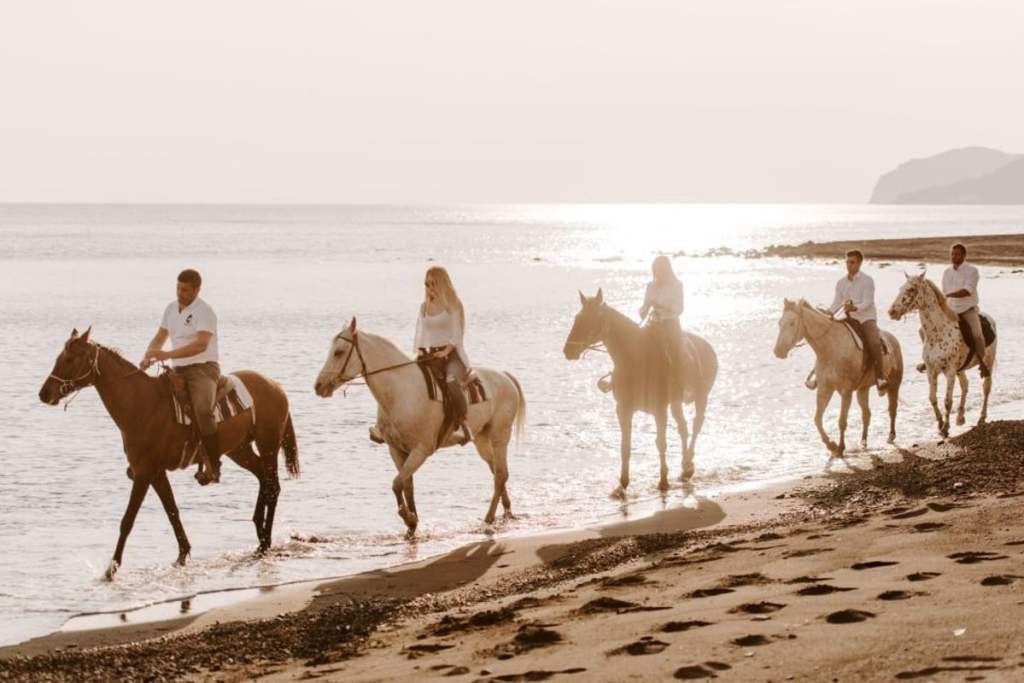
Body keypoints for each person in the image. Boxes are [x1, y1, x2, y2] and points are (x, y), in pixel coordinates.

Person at [140, 269, 222, 483]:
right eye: (177, 288)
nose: (180, 293)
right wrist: (148, 357)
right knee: (152, 404)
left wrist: (166, 355)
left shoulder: (205, 312)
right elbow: (160, 337)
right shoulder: (170, 309)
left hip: (202, 369)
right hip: (178, 369)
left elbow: (200, 345)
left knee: (203, 411)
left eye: (185, 290)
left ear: (196, 289)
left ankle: (215, 465)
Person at [414, 266, 473, 445]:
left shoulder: (453, 304)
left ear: (442, 283)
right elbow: (421, 334)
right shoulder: (424, 307)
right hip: (430, 355)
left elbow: (457, 333)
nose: (429, 286)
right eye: (426, 283)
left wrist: (445, 351)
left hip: (451, 355)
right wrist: (422, 351)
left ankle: (463, 423)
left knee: (451, 381)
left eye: (433, 282)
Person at [830, 249, 888, 394]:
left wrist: (855, 307)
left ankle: (880, 378)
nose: (849, 265)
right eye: (847, 262)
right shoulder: (841, 283)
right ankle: (819, 376)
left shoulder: (867, 281)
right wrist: (827, 313)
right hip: (848, 318)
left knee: (874, 342)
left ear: (860, 263)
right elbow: (836, 303)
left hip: (866, 318)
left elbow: (868, 302)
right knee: (829, 339)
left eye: (852, 262)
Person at [638, 255, 687, 399]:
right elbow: (644, 306)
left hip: (670, 324)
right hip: (652, 324)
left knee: (674, 351)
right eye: (655, 270)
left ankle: (678, 385)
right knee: (633, 344)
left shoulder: (677, 285)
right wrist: (643, 310)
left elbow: (679, 309)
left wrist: (662, 312)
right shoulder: (651, 285)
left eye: (660, 270)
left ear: (667, 270)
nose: (658, 273)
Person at [942, 242, 990, 378]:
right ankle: (932, 358)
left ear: (964, 255)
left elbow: (967, 291)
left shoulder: (972, 271)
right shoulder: (946, 272)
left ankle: (983, 364)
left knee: (977, 335)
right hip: (951, 310)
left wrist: (948, 295)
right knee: (925, 330)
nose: (953, 256)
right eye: (952, 254)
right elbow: (944, 292)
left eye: (957, 254)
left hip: (968, 309)